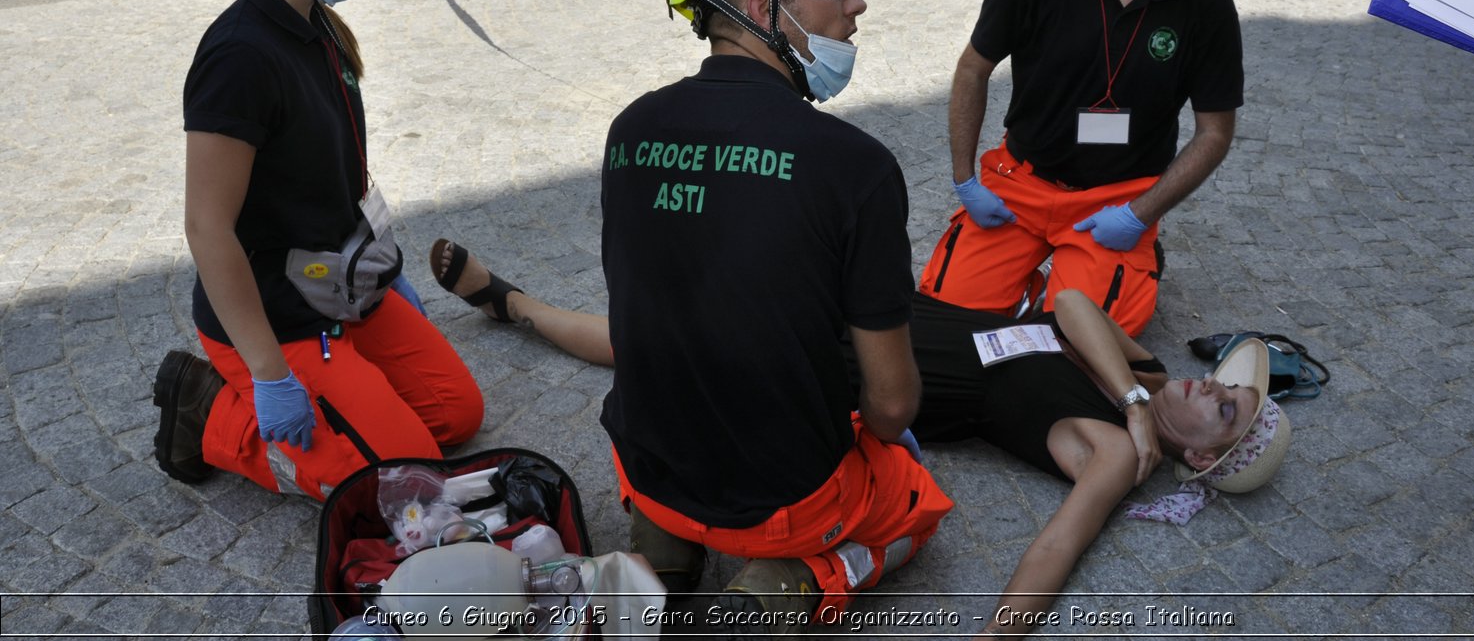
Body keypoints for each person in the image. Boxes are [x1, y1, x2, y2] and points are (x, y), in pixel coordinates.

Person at [434, 0, 952, 625]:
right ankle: (792, 583)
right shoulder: (856, 165)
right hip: (787, 502)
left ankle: (667, 547)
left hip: (652, 471)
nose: (856, 1)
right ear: (767, 11)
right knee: (918, 504)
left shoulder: (630, 130)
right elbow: (894, 401)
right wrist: (875, 432)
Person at [424, 253, 1290, 637]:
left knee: (652, 340)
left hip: (858, 365)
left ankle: (511, 301)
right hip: (868, 300)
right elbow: (1067, 301)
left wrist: (995, 637)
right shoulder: (1130, 369)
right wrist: (1141, 392)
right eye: (1225, 382)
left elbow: (1059, 543)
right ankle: (516, 303)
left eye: (1223, 410)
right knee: (676, 313)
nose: (1210, 385)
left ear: (1204, 460)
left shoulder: (1109, 447)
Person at [151, 0, 484, 500]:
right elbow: (207, 229)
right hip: (278, 318)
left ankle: (347, 386)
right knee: (404, 480)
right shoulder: (240, 57)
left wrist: (381, 277)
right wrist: (270, 372)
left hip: (342, 292)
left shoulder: (318, 25)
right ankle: (208, 409)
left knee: (456, 413)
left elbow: (336, 177)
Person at [918, 0, 1243, 338]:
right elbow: (973, 68)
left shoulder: (1205, 3)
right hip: (1020, 183)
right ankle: (1023, 281)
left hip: (1118, 198)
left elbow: (1215, 132)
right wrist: (965, 180)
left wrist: (1141, 213)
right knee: (943, 322)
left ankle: (1129, 255)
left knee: (1083, 347)